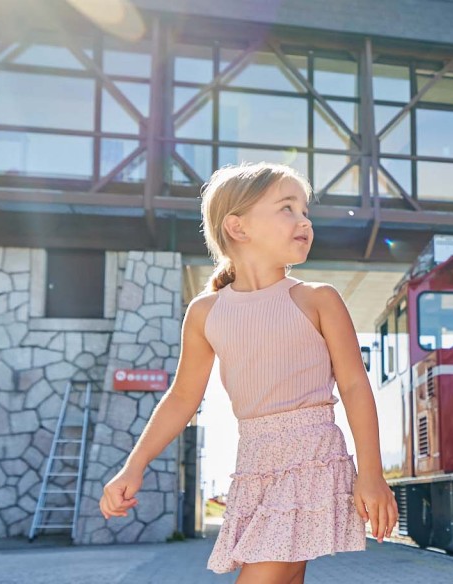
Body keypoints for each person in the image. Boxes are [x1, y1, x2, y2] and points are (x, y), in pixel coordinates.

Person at [99, 163, 397, 583]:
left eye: (305, 210)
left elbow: (353, 386)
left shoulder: (318, 299)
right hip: (253, 464)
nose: (304, 221)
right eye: (287, 208)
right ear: (237, 227)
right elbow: (182, 397)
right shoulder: (205, 312)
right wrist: (134, 466)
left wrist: (372, 475)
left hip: (312, 458)